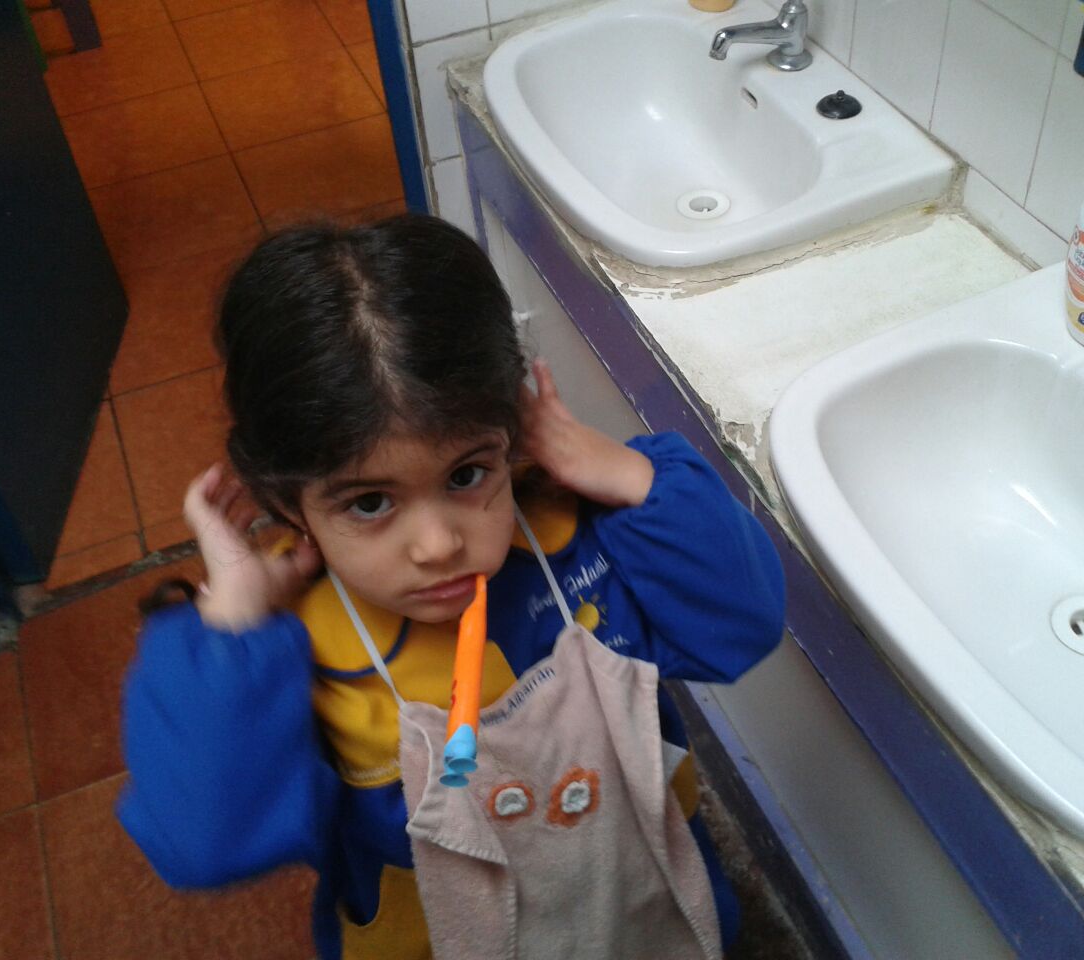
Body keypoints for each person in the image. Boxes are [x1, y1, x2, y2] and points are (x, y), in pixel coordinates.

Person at [117, 215, 785, 960]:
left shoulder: (575, 544)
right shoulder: (294, 644)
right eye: (369, 502)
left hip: (646, 917)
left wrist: (636, 476)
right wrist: (232, 620)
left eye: (467, 474)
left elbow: (742, 627)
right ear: (286, 500)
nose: (438, 545)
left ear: (514, 436)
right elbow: (206, 843)